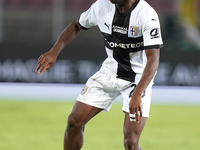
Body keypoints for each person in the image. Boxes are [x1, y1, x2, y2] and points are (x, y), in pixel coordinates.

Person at [35, 0, 163, 149]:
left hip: (138, 79)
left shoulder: (147, 15)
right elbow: (77, 25)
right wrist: (54, 51)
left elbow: (154, 59)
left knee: (131, 142)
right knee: (74, 122)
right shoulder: (101, 6)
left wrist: (137, 94)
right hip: (109, 72)